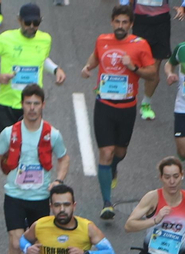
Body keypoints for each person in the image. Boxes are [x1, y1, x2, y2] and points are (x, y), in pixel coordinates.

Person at [0, 84, 68, 254]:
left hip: (40, 198)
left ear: (43, 105)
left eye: (36, 104)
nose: (32, 108)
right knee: (15, 243)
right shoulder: (9, 133)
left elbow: (64, 158)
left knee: (42, 245)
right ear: (22, 104)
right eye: (28, 103)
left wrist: (58, 181)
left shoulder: (52, 134)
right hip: (15, 196)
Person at [80, 6, 155, 220]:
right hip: (104, 105)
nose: (120, 26)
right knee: (106, 152)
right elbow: (96, 56)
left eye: (125, 22)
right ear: (112, 22)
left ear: (131, 24)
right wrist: (88, 67)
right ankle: (107, 203)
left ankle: (112, 168)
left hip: (127, 107)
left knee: (120, 152)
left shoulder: (140, 45)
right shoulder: (102, 40)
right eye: (117, 22)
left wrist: (133, 67)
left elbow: (152, 73)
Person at [0, 3, 62, 131]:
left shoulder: (45, 39)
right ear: (19, 20)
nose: (32, 26)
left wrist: (56, 69)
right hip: (8, 104)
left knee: (31, 143)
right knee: (9, 143)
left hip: (33, 105)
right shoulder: (5, 39)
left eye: (36, 23)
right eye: (27, 23)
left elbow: (41, 59)